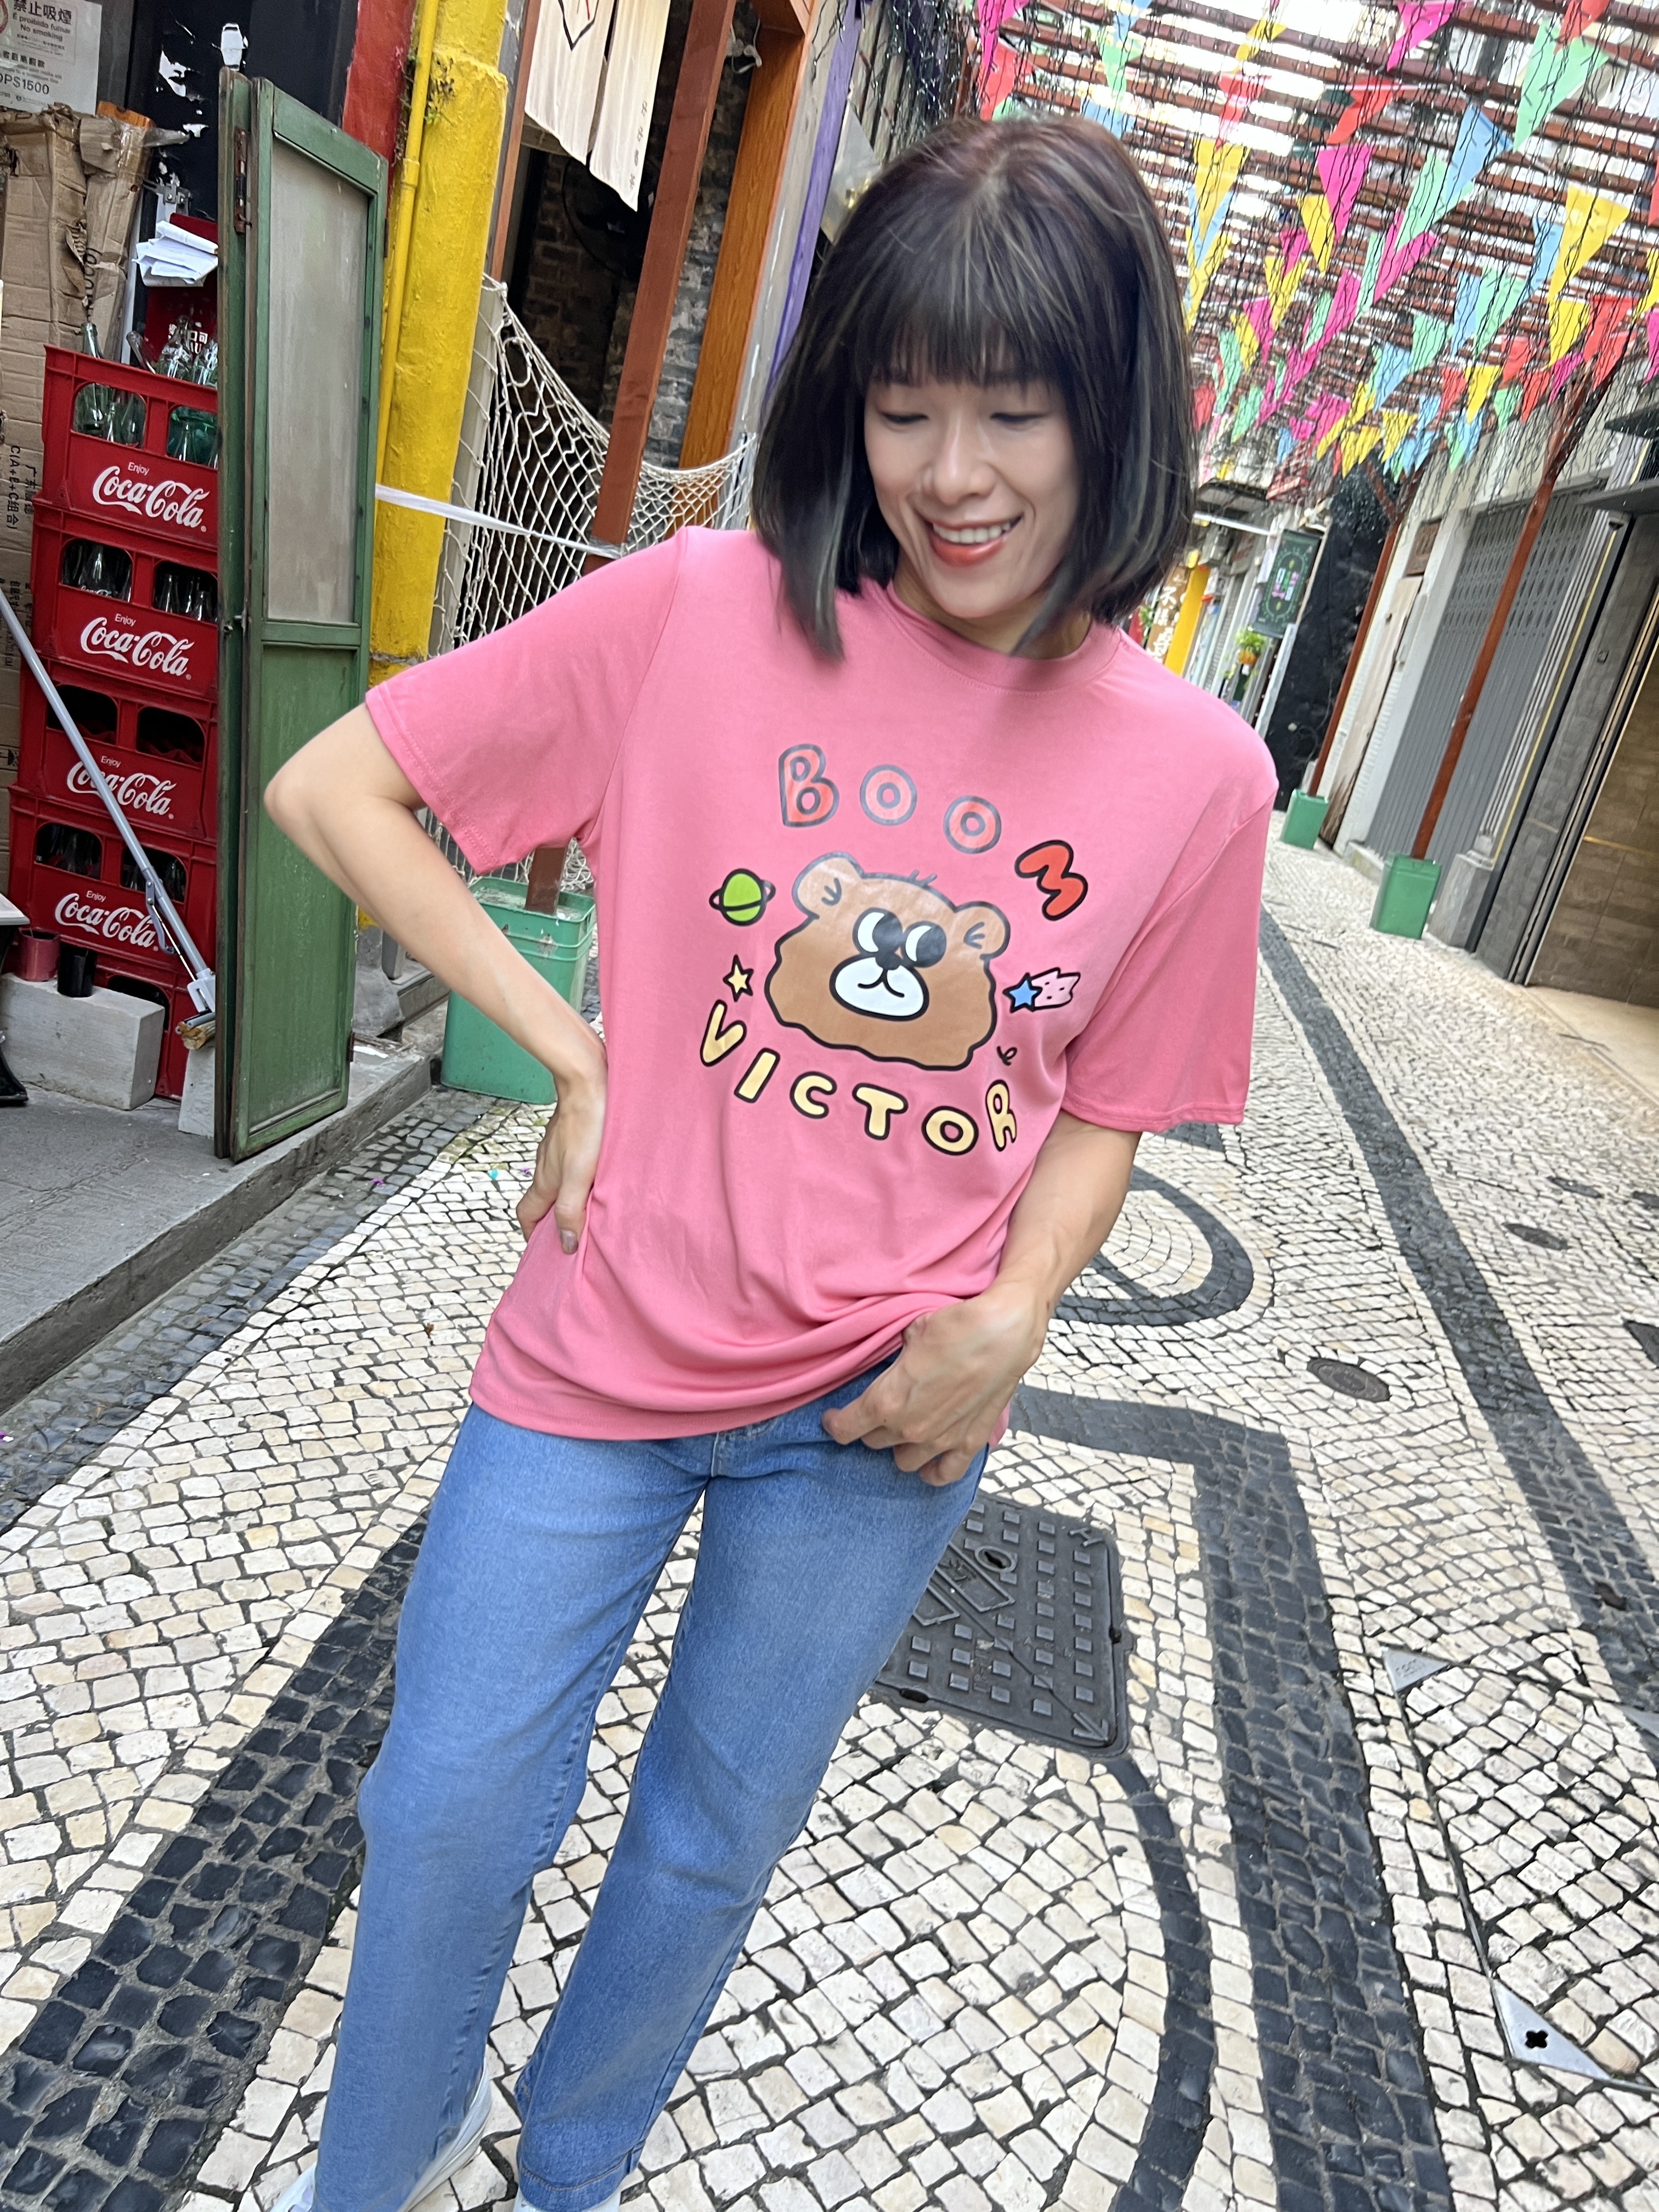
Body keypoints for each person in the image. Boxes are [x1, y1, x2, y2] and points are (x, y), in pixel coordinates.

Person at [265, 113, 1275, 2212]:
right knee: (446, 1803)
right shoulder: (702, 611)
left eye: (1015, 410)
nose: (954, 473)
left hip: (880, 1417)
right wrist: (566, 1043)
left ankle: (574, 2164)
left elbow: (1113, 1096)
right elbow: (338, 786)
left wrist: (1013, 1320)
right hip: (597, 1352)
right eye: (905, 407)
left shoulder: (1201, 774)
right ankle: (387, 2162)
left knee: (714, 1837)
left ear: (1118, 414)